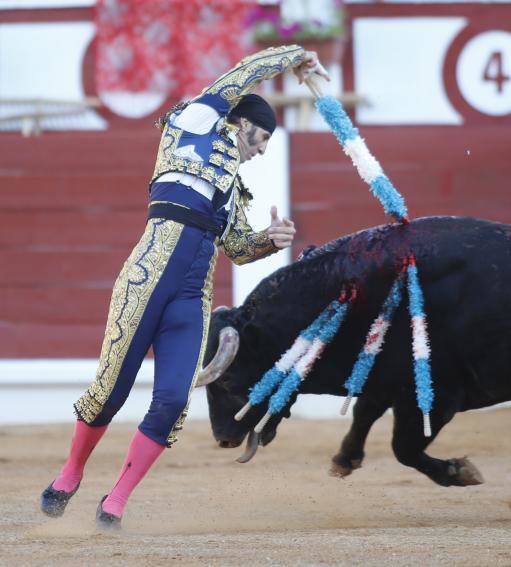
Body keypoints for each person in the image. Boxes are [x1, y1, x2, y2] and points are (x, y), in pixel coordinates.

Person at [39, 44, 329, 529]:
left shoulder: (234, 187)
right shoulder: (196, 122)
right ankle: (71, 473)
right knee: (110, 390)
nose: (261, 151)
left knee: (173, 401)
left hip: (192, 297)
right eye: (262, 140)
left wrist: (270, 241)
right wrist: (296, 55)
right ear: (241, 123)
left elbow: (236, 247)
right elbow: (243, 73)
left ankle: (117, 499)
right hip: (147, 276)